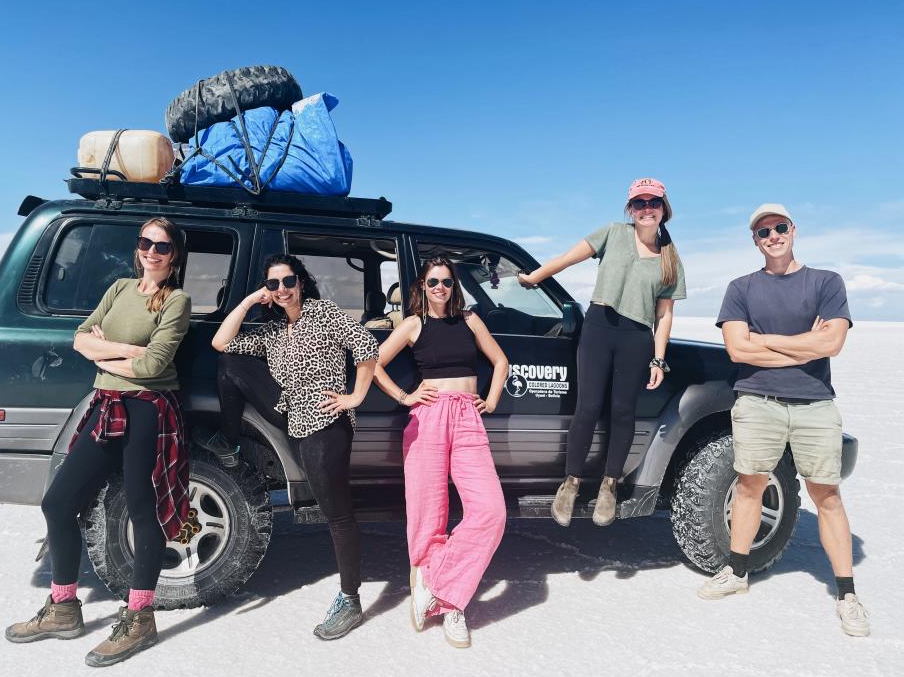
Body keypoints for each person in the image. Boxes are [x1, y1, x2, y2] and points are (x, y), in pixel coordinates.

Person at [6, 217, 192, 667]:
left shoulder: (178, 301)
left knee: (141, 510)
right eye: (145, 242)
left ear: (174, 256)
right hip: (106, 405)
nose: (151, 251)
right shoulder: (120, 289)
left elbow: (154, 369)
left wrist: (111, 353)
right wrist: (130, 353)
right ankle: (64, 607)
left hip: (147, 410)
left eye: (162, 247)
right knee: (57, 502)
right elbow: (80, 340)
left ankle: (140, 616)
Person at [697, 203, 869, 637]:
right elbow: (738, 351)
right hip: (757, 401)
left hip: (814, 403)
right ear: (754, 241)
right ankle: (737, 572)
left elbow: (832, 344)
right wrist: (804, 343)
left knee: (825, 493)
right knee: (750, 482)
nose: (772, 236)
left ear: (793, 229)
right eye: (763, 232)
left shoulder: (826, 282)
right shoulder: (741, 288)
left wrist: (767, 339)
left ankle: (847, 593)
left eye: (779, 227)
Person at [211, 254, 378, 641]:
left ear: (301, 283)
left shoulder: (323, 313)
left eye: (289, 281)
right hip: (291, 415)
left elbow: (367, 346)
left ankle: (350, 599)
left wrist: (354, 397)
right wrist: (250, 301)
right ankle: (230, 443)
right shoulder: (271, 332)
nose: (282, 289)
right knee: (229, 364)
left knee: (335, 512)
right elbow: (221, 342)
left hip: (324, 420)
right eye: (274, 285)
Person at [519, 177, 686, 526]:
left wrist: (658, 357)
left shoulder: (670, 258)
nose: (646, 210)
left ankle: (609, 487)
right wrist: (535, 278)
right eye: (639, 203)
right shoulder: (613, 233)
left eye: (652, 203)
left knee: (622, 413)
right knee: (589, 408)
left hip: (637, 337)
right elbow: (568, 258)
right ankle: (571, 483)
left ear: (663, 208)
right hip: (598, 328)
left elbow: (664, 314)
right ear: (630, 209)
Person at [372, 257, 508, 648]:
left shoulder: (469, 320)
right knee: (428, 515)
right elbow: (374, 364)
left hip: (467, 415)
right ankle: (451, 604)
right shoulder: (413, 324)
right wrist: (405, 396)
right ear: (422, 285)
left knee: (490, 511)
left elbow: (500, 361)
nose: (440, 288)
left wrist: (492, 399)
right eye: (433, 282)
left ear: (453, 285)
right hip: (428, 418)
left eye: (446, 282)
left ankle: (437, 587)